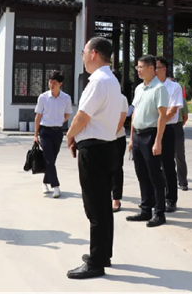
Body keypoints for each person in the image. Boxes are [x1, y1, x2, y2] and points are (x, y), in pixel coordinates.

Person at [65, 37, 123, 279]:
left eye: (83, 52)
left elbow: (82, 116)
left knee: (95, 208)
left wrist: (69, 135)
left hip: (94, 150)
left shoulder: (98, 81)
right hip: (107, 146)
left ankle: (96, 261)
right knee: (102, 206)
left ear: (93, 54)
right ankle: (102, 254)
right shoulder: (112, 80)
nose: (82, 58)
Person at [126, 55, 169, 228]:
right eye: (137, 67)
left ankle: (159, 213)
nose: (138, 70)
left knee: (155, 176)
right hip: (137, 136)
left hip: (151, 135)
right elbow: (135, 113)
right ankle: (146, 210)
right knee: (141, 174)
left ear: (152, 68)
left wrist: (158, 141)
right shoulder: (139, 88)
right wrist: (131, 138)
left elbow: (162, 116)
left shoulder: (159, 89)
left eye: (141, 67)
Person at [33, 71, 72, 198]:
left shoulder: (66, 98)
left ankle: (45, 182)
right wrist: (35, 135)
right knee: (49, 159)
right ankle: (56, 186)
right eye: (50, 82)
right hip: (45, 131)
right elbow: (38, 117)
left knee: (52, 160)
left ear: (60, 84)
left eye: (54, 83)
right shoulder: (43, 97)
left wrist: (60, 121)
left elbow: (67, 114)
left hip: (58, 132)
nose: (51, 85)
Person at [155, 56, 183, 212]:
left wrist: (159, 120)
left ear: (164, 69)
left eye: (157, 67)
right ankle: (155, 198)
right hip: (151, 130)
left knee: (167, 165)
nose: (154, 70)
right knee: (152, 166)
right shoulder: (149, 87)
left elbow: (172, 110)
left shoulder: (174, 87)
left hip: (168, 129)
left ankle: (171, 199)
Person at [112, 71, 129, 213]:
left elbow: (121, 120)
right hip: (100, 138)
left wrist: (110, 135)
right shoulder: (99, 95)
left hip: (116, 138)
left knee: (116, 168)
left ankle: (116, 199)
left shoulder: (122, 98)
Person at [175, 97, 189, 191]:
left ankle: (183, 182)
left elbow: (185, 116)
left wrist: (179, 125)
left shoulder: (180, 99)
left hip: (177, 127)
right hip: (164, 127)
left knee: (179, 156)